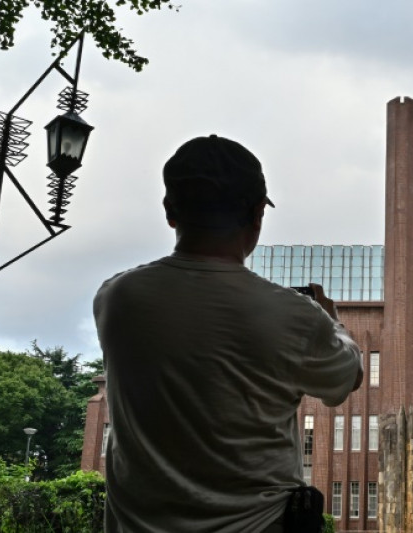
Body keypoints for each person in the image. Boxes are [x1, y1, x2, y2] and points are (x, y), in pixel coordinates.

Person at [94, 134, 363, 532]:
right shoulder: (293, 316)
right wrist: (333, 321)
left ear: (170, 210)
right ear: (257, 214)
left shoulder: (117, 297)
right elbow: (347, 379)